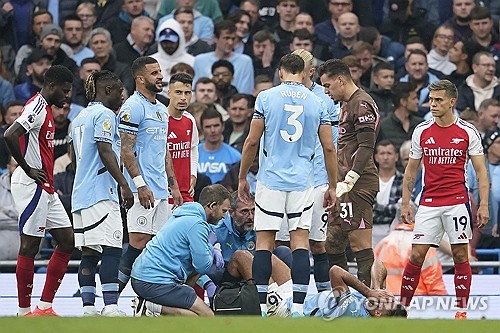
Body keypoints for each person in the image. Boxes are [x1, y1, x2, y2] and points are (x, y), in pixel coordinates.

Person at [238, 54, 337, 317]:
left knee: (264, 243)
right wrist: (333, 186)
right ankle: (298, 308)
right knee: (301, 242)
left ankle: (262, 307)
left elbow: (251, 141)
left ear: (281, 73)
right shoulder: (318, 102)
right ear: (304, 73)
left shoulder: (266, 98)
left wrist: (241, 178)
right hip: (304, 182)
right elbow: (329, 147)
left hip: (270, 180)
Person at [399, 79, 489, 320]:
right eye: (431, 99)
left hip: (457, 202)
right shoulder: (422, 130)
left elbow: (481, 171)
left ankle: (461, 310)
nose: (433, 104)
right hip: (428, 202)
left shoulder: (468, 132)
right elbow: (411, 171)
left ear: (452, 102)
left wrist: (483, 205)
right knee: (416, 255)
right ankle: (402, 309)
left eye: (438, 100)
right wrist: (406, 203)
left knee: (461, 255)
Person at [4, 65, 74, 316]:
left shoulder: (45, 108)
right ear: (51, 86)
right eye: (64, 91)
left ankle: (44, 307)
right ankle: (23, 313)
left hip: (45, 185)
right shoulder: (36, 107)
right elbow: (10, 134)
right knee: (30, 246)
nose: (67, 98)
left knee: (67, 240)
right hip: (31, 183)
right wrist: (26, 167)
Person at [70, 70, 134, 317]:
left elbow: (74, 161)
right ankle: (110, 306)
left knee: (89, 252)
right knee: (112, 248)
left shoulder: (79, 117)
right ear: (108, 90)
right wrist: (123, 184)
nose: (122, 98)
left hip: (80, 195)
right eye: (119, 92)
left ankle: (88, 308)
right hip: (101, 193)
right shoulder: (105, 115)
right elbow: (105, 149)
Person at [275, 48, 339, 295]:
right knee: (282, 242)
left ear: (309, 72)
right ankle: (283, 295)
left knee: (316, 243)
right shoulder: (278, 97)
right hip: (285, 180)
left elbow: (330, 146)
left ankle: (322, 298)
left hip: (315, 180)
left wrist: (332, 184)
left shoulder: (324, 99)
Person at [117, 56, 182, 293]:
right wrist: (140, 185)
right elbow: (126, 150)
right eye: (154, 73)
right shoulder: (133, 107)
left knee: (158, 246)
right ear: (140, 78)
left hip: (161, 189)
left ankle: (146, 299)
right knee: (138, 242)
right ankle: (112, 298)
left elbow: (163, 149)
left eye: (160, 72)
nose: (160, 77)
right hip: (140, 189)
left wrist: (173, 186)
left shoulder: (160, 109)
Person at [319, 59, 380, 288]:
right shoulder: (348, 103)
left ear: (340, 80)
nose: (326, 91)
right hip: (343, 185)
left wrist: (351, 179)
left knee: (359, 244)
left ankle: (368, 300)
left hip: (359, 184)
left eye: (327, 85)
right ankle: (343, 295)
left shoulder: (361, 104)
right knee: (332, 243)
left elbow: (366, 146)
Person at [131, 184, 230, 317]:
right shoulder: (197, 224)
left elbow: (196, 270)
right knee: (208, 317)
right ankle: (148, 308)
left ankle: (155, 310)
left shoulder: (184, 214)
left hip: (142, 278)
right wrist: (210, 246)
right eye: (224, 211)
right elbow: (203, 266)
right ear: (212, 206)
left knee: (192, 316)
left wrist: (210, 248)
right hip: (154, 281)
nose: (224, 217)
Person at [267, 260, 405, 318]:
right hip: (296, 298)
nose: (387, 297)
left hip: (286, 310)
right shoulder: (375, 303)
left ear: (378, 313)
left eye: (388, 301)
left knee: (247, 257)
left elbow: (335, 271)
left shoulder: (352, 312)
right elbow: (379, 264)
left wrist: (369, 292)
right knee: (271, 258)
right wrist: (377, 288)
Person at [166, 72, 199, 203]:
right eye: (178, 92)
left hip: (186, 192)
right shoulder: (161, 121)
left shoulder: (190, 120)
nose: (183, 98)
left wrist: (193, 174)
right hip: (165, 192)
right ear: (169, 93)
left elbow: (193, 148)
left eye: (187, 93)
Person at [198, 108, 241, 184]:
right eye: (208, 127)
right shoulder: (192, 155)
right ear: (202, 129)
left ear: (223, 126)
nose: (213, 130)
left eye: (216, 125)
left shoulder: (236, 156)